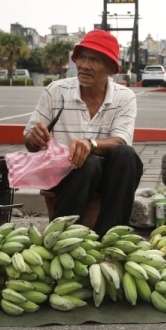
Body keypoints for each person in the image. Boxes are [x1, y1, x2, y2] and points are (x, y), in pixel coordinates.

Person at [23, 30, 143, 235]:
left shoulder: (125, 97)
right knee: (88, 163)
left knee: (126, 155)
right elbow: (30, 142)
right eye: (82, 57)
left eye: (94, 60)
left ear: (111, 68)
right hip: (64, 176)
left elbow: (122, 140)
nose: (85, 65)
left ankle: (111, 238)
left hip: (106, 176)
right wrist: (34, 138)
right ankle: (64, 237)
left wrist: (91, 144)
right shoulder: (56, 91)